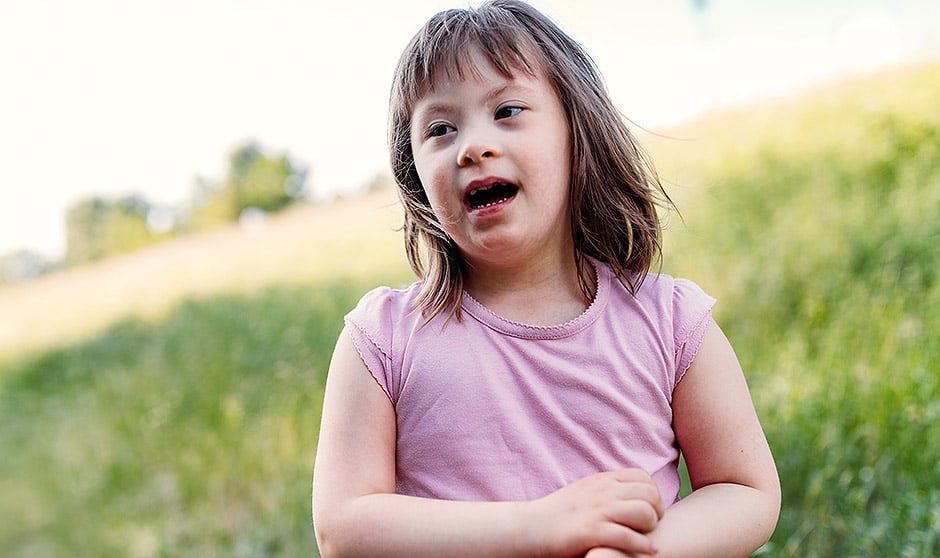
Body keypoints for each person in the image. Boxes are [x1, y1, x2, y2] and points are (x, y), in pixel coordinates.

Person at [312, 1, 780, 556]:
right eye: (440, 128)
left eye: (507, 110)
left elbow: (744, 488)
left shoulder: (670, 322)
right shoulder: (382, 341)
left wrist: (635, 552)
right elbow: (343, 527)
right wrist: (538, 526)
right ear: (414, 172)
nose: (473, 147)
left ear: (574, 132)